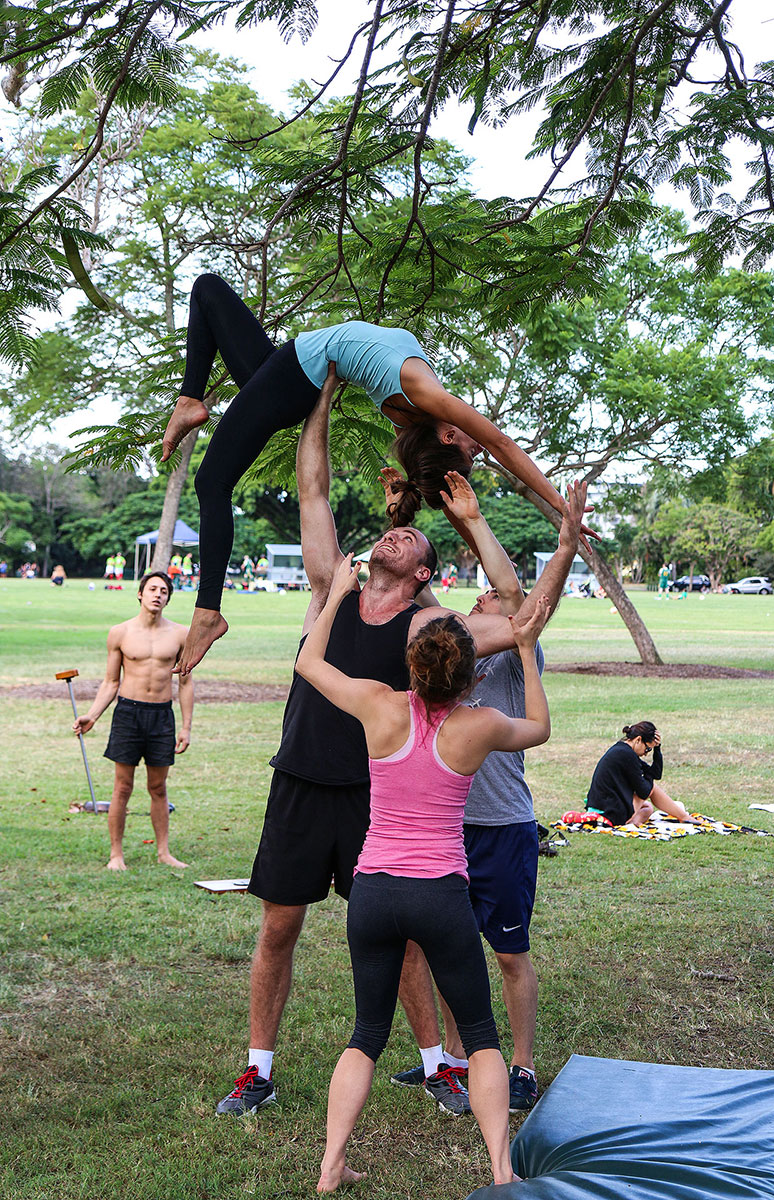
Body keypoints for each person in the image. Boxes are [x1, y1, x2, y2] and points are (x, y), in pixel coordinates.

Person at [214, 379, 588, 1119]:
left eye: (411, 539)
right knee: (279, 926)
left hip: (371, 798)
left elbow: (517, 612)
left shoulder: (429, 629)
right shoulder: (330, 586)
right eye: (394, 530)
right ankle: (257, 1070)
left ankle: (437, 1064)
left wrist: (498, 527)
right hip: (297, 781)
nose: (395, 533)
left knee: (407, 937)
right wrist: (316, 394)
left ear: (423, 574)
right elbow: (313, 489)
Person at [159, 273, 599, 673]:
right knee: (208, 290)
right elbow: (445, 495)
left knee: (210, 483)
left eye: (471, 447)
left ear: (450, 438)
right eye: (474, 448)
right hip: (292, 370)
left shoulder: (428, 395)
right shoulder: (411, 423)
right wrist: (440, 510)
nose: (478, 443)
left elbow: (504, 445)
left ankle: (208, 610)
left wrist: (561, 508)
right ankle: (189, 399)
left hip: (299, 375)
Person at [295, 555, 552, 1192]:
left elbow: (307, 663)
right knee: (482, 1037)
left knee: (366, 1035)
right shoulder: (479, 725)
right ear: (470, 676)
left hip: (374, 893)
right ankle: (499, 1170)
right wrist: (521, 646)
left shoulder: (379, 707)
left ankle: (330, 1167)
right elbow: (541, 729)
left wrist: (337, 596)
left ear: (411, 667)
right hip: (439, 896)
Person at [389, 473, 583, 1115]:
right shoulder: (447, 655)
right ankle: (453, 1060)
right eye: (471, 605)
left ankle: (521, 1065)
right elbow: (410, 594)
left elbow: (517, 597)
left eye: (489, 605)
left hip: (501, 826)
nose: (478, 606)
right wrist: (404, 512)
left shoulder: (513, 657)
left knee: (508, 951)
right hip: (443, 828)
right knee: (448, 950)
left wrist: (474, 522)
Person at [73, 571, 194, 871]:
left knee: (159, 787)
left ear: (168, 598)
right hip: (128, 713)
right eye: (152, 589)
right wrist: (93, 715)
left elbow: (187, 683)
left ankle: (164, 852)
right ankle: (116, 854)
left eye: (164, 591)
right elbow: (111, 681)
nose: (157, 595)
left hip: (161, 716)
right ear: (140, 594)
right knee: (122, 787)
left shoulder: (181, 634)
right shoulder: (120, 633)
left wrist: (187, 726)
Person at [585, 722, 698, 828]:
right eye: (647, 749)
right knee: (651, 788)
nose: (646, 754)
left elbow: (655, 774)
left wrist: (657, 749)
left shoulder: (622, 750)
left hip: (601, 808)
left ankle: (631, 823)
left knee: (648, 808)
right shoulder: (627, 755)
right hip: (610, 813)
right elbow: (644, 791)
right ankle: (684, 817)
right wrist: (649, 780)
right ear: (638, 740)